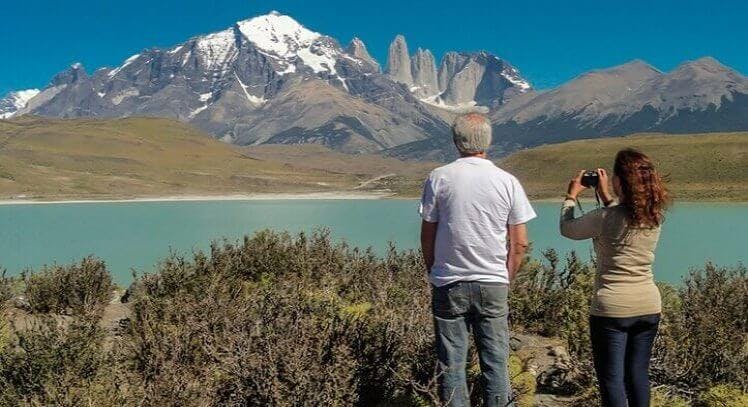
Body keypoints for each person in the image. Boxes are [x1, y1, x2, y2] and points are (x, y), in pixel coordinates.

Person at [419, 112, 536, 406]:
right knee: (496, 360)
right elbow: (519, 242)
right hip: (492, 283)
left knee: (452, 364)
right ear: (489, 140)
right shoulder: (508, 181)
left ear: (456, 141)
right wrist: (505, 277)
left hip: (449, 282)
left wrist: (434, 270)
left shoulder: (439, 177)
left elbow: (427, 234)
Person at [559, 149, 671, 407]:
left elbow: (568, 229)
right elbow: (624, 215)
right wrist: (606, 195)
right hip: (648, 305)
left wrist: (570, 197)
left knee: (612, 380)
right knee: (638, 375)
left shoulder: (605, 217)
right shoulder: (654, 217)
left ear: (620, 181)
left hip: (611, 309)